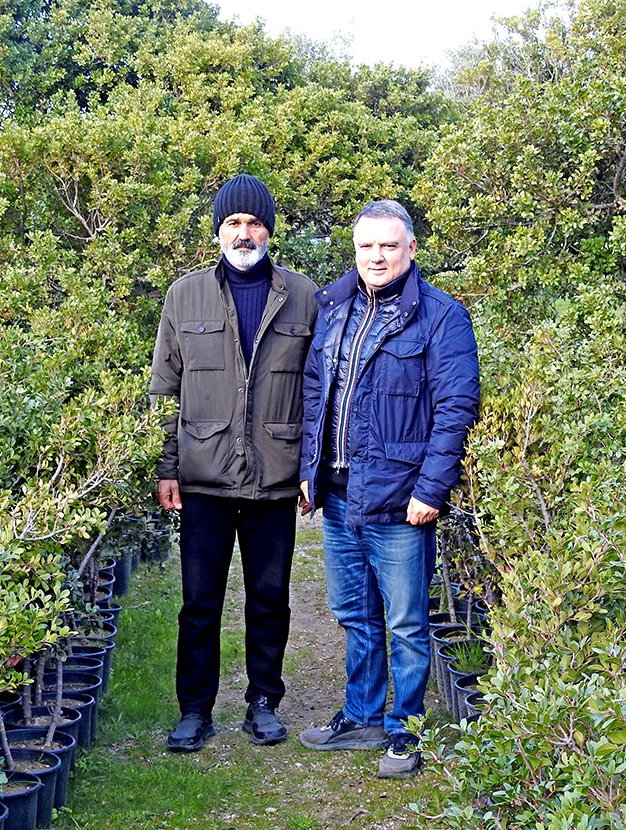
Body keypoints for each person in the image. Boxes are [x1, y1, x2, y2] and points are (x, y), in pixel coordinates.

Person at [297, 199, 480, 778]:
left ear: (411, 249)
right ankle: (361, 716)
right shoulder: (334, 307)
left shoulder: (441, 317)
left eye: (388, 246)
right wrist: (308, 470)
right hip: (339, 495)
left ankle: (406, 730)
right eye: (366, 246)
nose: (376, 256)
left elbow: (455, 408)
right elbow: (315, 395)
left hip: (402, 499)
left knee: (405, 623)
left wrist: (432, 488)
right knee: (355, 613)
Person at [151, 173, 318, 752]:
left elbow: (317, 390)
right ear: (218, 230)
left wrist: (310, 469)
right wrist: (166, 467)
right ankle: (194, 711)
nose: (243, 234)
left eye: (253, 223)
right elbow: (164, 390)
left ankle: (263, 702)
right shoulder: (184, 295)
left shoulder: (304, 296)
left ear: (269, 230)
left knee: (269, 600)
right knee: (199, 603)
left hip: (276, 477)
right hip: (203, 478)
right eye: (232, 223)